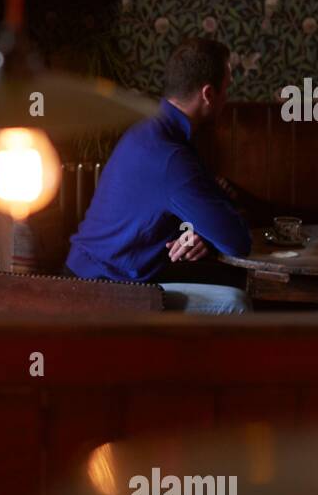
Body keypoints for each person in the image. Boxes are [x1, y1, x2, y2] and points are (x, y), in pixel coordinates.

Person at [64, 38, 253, 313]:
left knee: (232, 281)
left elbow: (184, 213)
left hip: (108, 276)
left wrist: (200, 231)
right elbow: (238, 242)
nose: (227, 99)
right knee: (237, 304)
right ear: (208, 94)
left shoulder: (152, 130)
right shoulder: (170, 156)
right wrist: (210, 230)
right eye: (226, 89)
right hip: (103, 291)